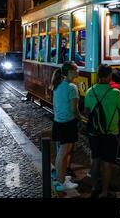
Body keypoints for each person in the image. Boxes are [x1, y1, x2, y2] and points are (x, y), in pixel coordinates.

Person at [84, 64, 120, 198]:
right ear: (109, 76)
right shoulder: (115, 93)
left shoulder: (90, 91)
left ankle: (94, 187)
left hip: (94, 133)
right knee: (107, 163)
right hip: (110, 133)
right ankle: (104, 192)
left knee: (95, 159)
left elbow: (87, 112)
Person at [50, 62, 81, 192]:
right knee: (63, 153)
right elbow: (75, 109)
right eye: (76, 69)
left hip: (58, 122)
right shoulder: (72, 87)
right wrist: (80, 119)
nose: (78, 71)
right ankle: (61, 182)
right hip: (68, 123)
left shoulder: (57, 85)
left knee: (61, 152)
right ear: (69, 72)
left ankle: (60, 177)